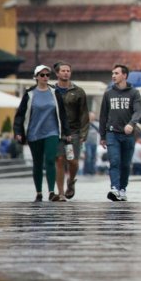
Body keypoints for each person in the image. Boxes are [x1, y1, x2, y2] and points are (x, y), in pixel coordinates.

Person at [14, 65, 69, 202]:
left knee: (50, 160)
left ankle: (51, 192)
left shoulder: (54, 93)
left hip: (52, 132)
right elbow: (20, 115)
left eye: (47, 75)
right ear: (36, 77)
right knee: (37, 163)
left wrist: (66, 132)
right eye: (42, 75)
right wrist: (18, 131)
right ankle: (39, 192)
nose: (45, 78)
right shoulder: (30, 94)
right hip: (34, 132)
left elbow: (62, 113)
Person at [99, 64, 141, 202]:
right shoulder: (108, 94)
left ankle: (122, 189)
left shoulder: (134, 93)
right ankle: (114, 188)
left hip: (128, 135)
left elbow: (137, 111)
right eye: (112, 73)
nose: (113, 76)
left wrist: (131, 123)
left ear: (124, 75)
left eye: (116, 73)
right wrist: (102, 136)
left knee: (125, 164)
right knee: (115, 161)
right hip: (112, 133)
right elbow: (103, 116)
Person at [52, 62, 88, 199]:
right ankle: (60, 192)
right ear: (57, 73)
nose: (66, 73)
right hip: (57, 131)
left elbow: (84, 114)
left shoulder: (78, 92)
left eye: (68, 70)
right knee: (60, 159)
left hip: (74, 131)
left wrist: (83, 133)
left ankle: (71, 181)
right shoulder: (52, 91)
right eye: (63, 70)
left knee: (73, 160)